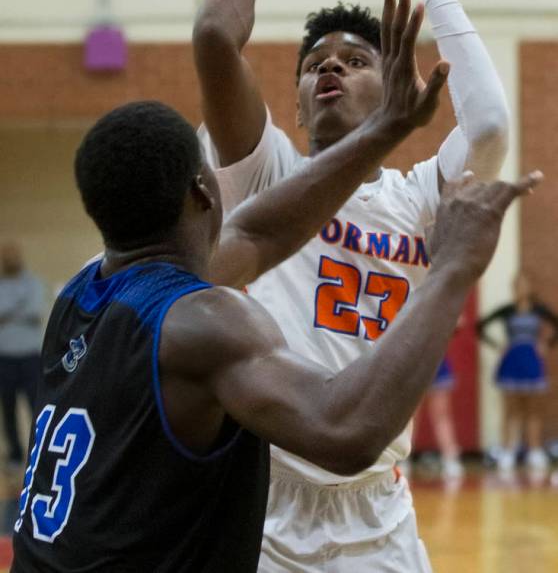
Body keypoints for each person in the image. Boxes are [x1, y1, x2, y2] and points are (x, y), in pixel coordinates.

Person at [10, 95, 539, 571]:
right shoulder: (204, 323)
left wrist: (386, 127)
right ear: (204, 191)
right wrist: (451, 269)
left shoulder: (78, 293)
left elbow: (261, 230)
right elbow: (346, 431)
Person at [193, 0, 510, 571]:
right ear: (299, 100)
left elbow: (490, 127)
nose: (331, 67)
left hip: (378, 510)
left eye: (357, 59)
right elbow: (215, 42)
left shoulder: (419, 195)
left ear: (395, 81)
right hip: (265, 504)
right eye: (315, 64)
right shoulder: (268, 174)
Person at [477, 272, 558, 472]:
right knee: (511, 409)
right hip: (512, 360)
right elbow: (480, 326)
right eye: (516, 286)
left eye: (523, 285)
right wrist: (498, 345)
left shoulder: (539, 310)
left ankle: (534, 450)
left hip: (531, 360)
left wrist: (546, 344)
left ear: (529, 288)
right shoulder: (508, 310)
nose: (520, 289)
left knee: (532, 408)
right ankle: (508, 450)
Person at [0, 242, 44, 473]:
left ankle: (39, 451)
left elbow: (34, 312)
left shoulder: (33, 283)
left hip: (30, 357)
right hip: (4, 358)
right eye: (6, 257)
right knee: (8, 409)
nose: (10, 260)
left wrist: (7, 315)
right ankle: (15, 455)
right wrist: (20, 309)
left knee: (35, 405)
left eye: (13, 256)